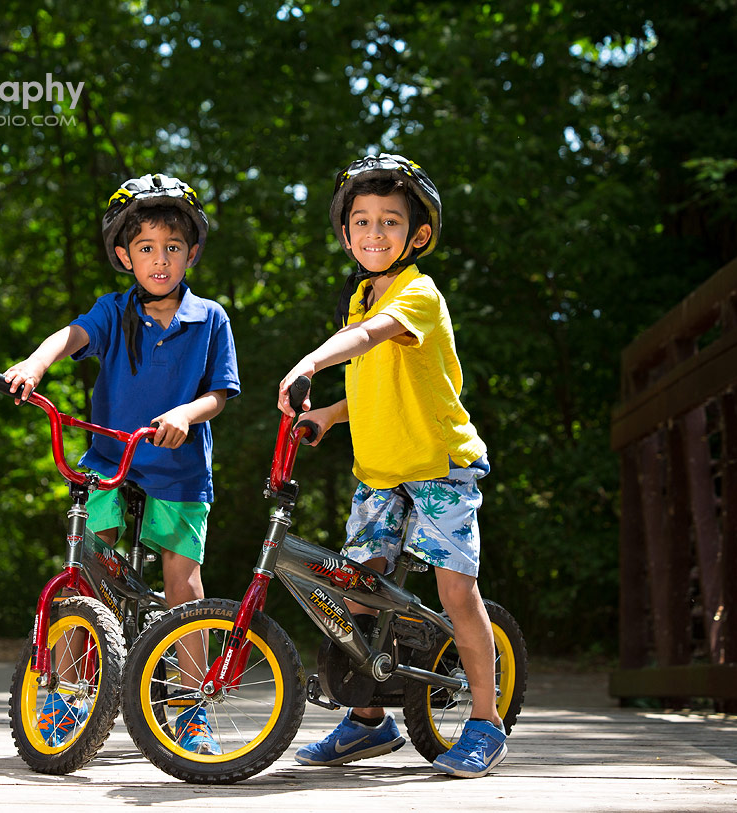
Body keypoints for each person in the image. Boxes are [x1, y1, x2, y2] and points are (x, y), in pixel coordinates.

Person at [277, 153, 506, 778]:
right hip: (379, 470)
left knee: (456, 593)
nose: (374, 234)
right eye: (361, 222)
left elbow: (372, 339)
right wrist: (328, 412)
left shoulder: (416, 295)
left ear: (417, 236)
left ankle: (485, 721)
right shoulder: (360, 296)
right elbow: (379, 383)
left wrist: (311, 363)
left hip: (438, 466)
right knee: (358, 591)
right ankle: (368, 722)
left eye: (389, 222)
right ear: (346, 232)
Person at [5, 172, 240, 755]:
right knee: (87, 577)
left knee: (182, 584)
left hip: (180, 468)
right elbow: (69, 336)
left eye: (172, 248)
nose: (160, 261)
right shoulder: (113, 311)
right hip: (110, 459)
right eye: (146, 249)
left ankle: (191, 707)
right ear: (123, 255)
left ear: (191, 254)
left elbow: (220, 393)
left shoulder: (210, 317)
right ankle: (68, 700)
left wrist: (187, 414)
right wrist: (35, 365)